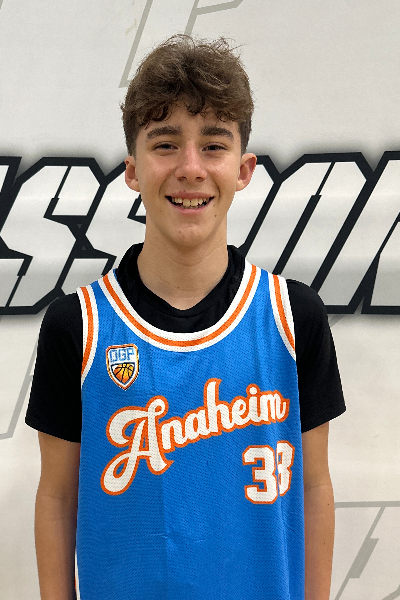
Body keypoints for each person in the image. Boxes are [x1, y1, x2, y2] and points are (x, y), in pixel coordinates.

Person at [26, 35, 345, 600]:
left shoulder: (294, 317)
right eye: (166, 144)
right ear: (132, 170)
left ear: (244, 169)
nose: (190, 168)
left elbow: (314, 487)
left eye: (213, 145)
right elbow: (57, 496)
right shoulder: (77, 325)